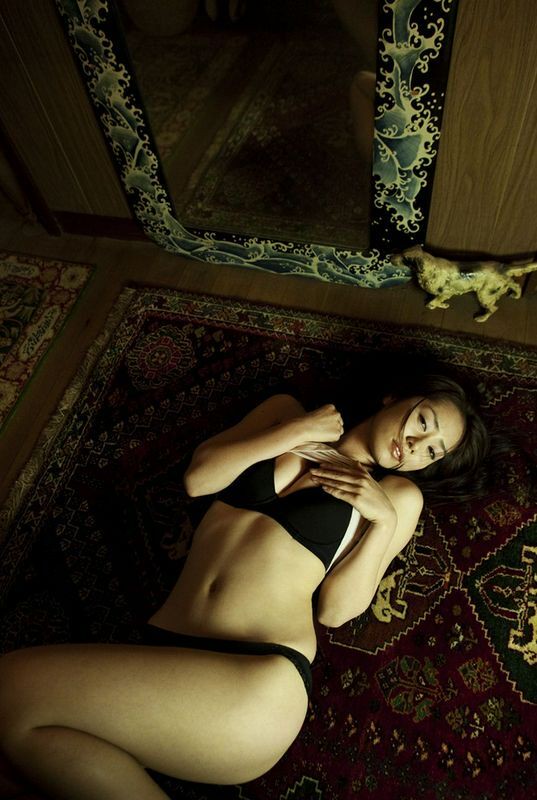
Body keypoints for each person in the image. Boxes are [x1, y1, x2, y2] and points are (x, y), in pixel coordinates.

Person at [0, 371, 490, 799]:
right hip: (169, 653)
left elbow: (336, 611)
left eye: (432, 451)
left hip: (258, 680)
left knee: (9, 687)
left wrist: (382, 522)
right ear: (395, 397)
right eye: (424, 421)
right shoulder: (285, 412)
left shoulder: (396, 496)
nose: (417, 446)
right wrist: (299, 430)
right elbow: (199, 479)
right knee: (21, 744)